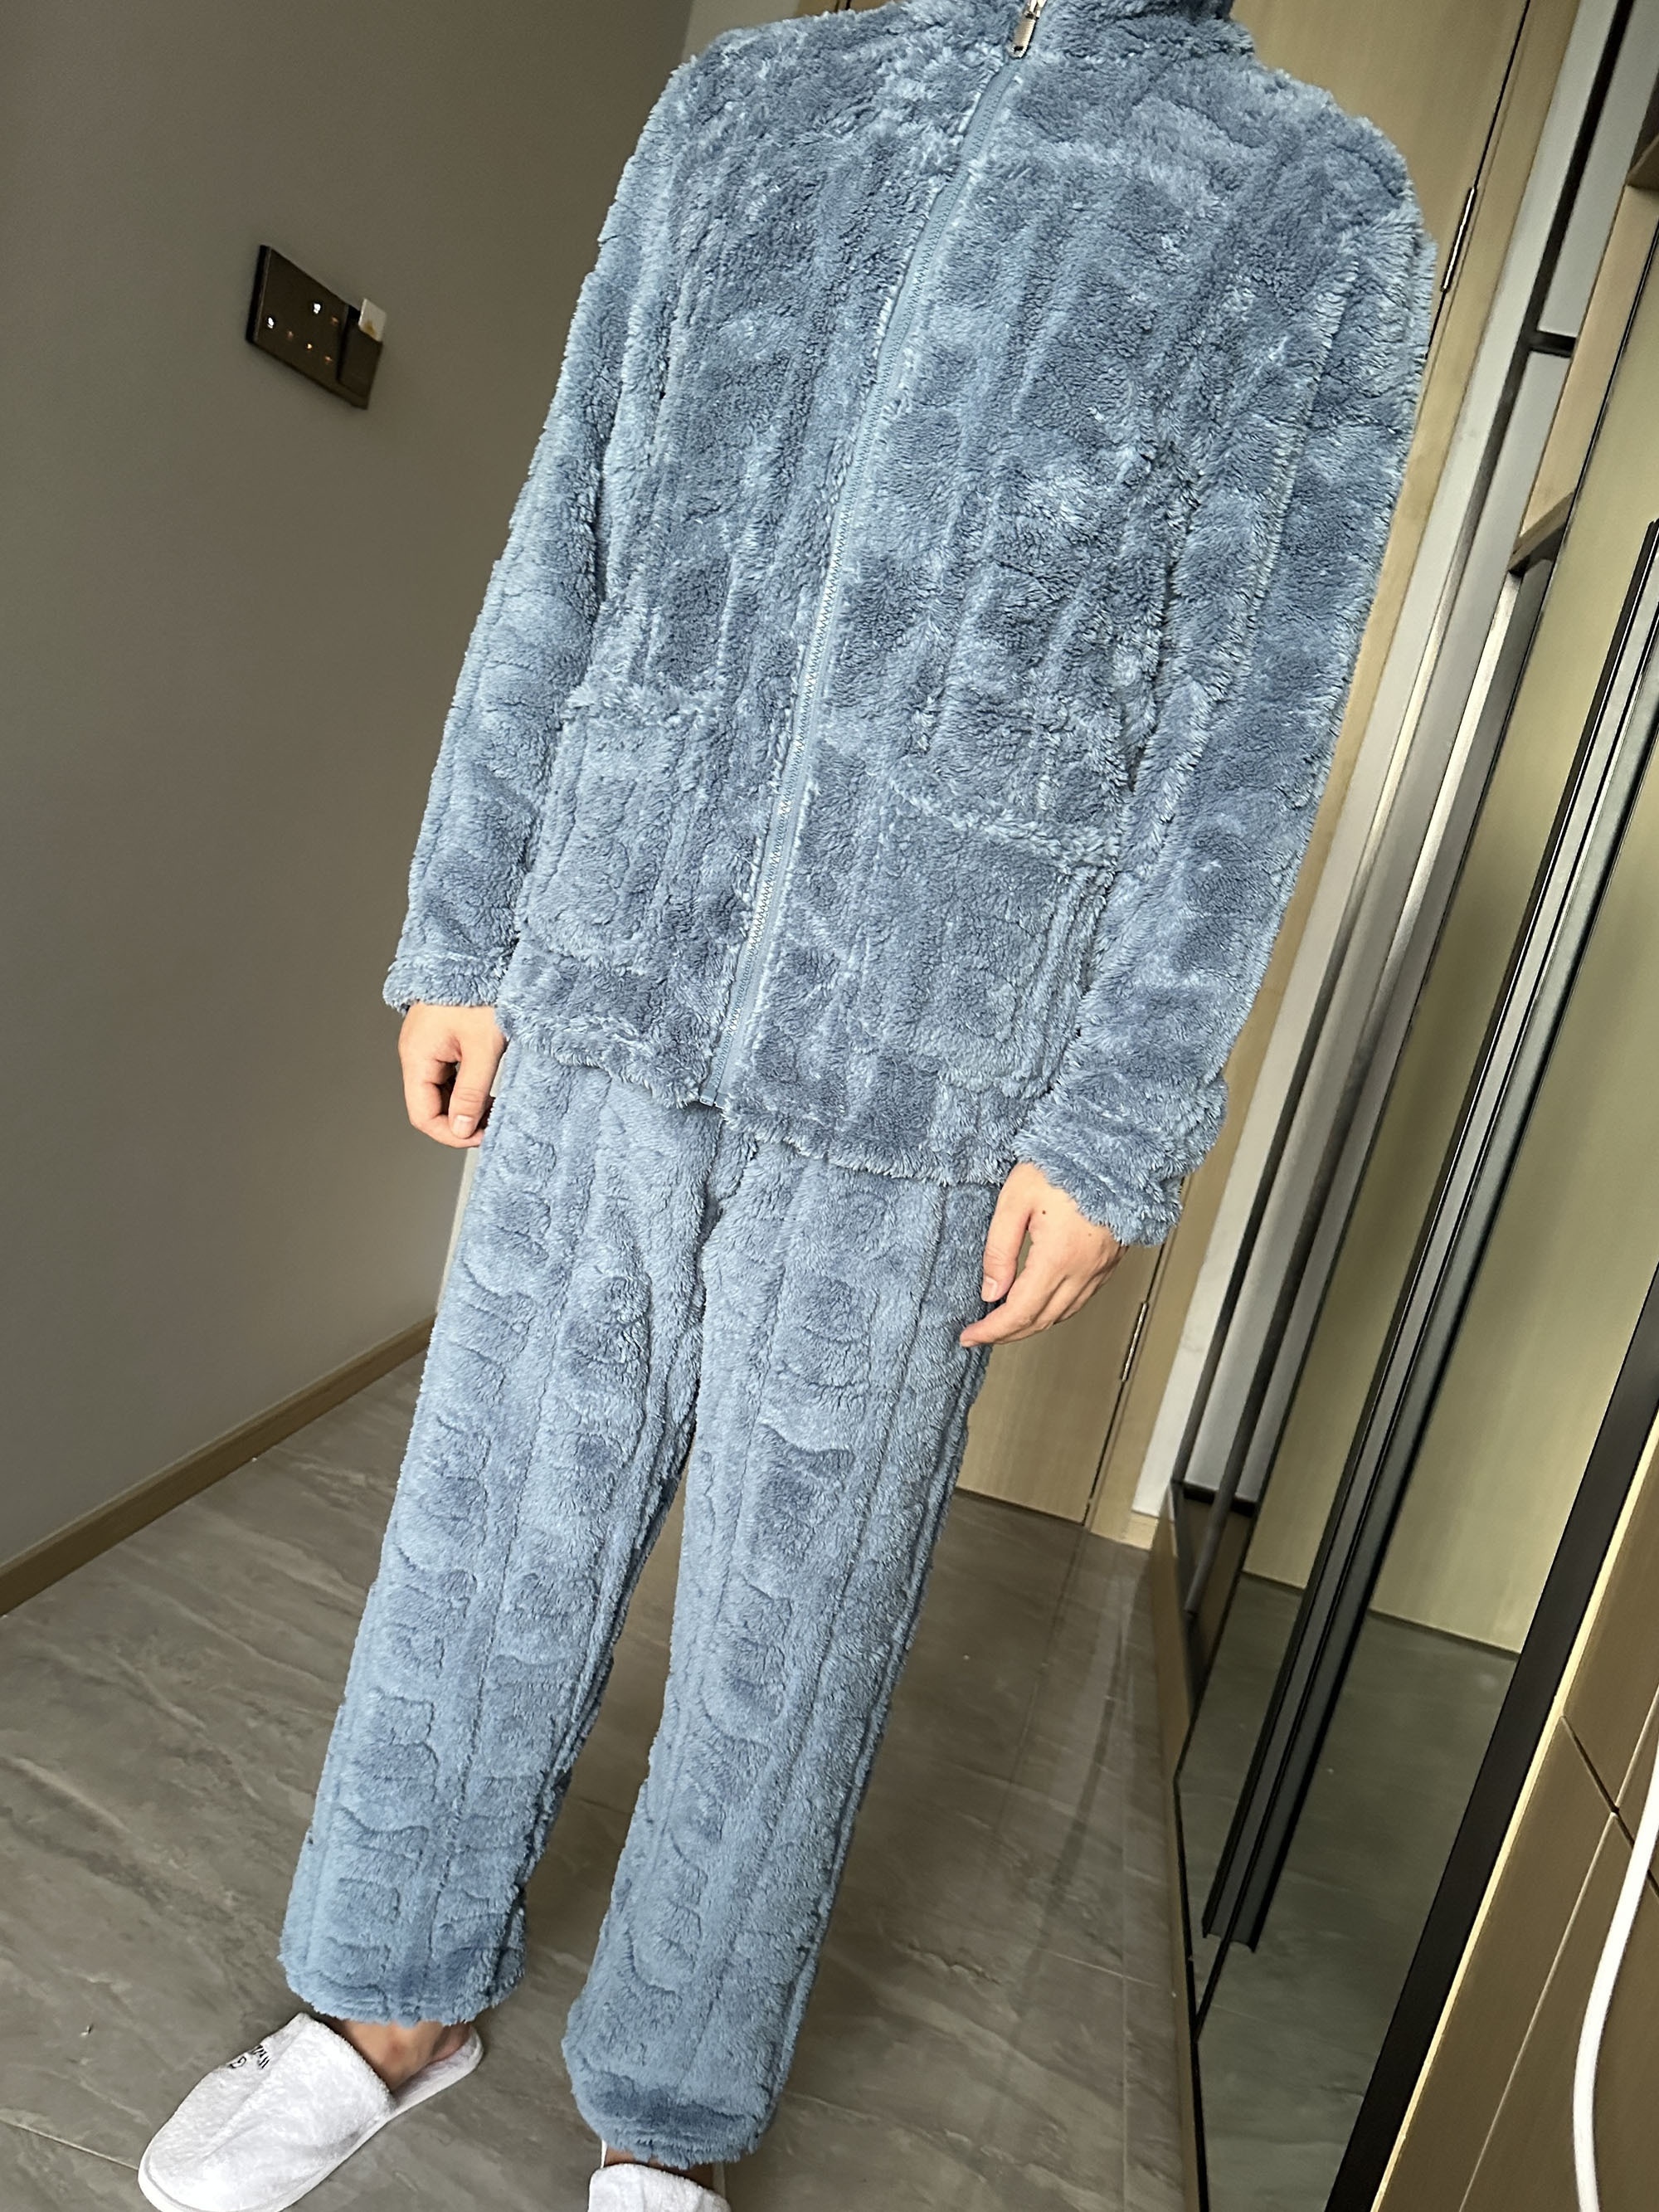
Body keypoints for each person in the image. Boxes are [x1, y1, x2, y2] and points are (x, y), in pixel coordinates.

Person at [139, 0, 1433, 2206]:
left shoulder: (1310, 199)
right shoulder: (749, 103)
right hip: (609, 964)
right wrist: (471, 922)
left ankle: (665, 2118)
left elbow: (1253, 723)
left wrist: (1116, 1112)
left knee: (793, 1631)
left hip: (933, 1055)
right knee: (485, 1533)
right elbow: (572, 533)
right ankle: (386, 2002)